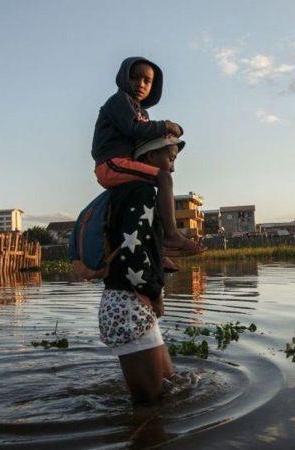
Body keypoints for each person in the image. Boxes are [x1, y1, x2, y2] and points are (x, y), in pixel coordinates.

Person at [99, 136, 193, 402]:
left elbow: (142, 248)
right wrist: (156, 294)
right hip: (130, 306)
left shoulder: (125, 192)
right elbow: (133, 253)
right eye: (170, 158)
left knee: (169, 388)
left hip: (129, 305)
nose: (172, 168)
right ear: (150, 157)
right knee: (150, 405)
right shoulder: (140, 192)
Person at [91, 56, 204, 257]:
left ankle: (157, 247)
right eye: (134, 78)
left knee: (152, 196)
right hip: (111, 163)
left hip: (125, 162)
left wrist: (163, 134)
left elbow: (144, 137)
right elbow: (134, 128)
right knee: (163, 177)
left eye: (147, 81)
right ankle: (171, 234)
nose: (140, 84)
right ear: (124, 78)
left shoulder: (141, 111)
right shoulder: (119, 101)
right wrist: (166, 125)